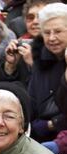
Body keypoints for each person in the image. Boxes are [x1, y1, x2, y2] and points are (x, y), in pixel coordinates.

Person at [27, 3, 67, 143]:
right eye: (47, 32)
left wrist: (52, 124)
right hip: (38, 139)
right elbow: (31, 99)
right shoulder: (41, 59)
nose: (51, 38)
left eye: (58, 32)